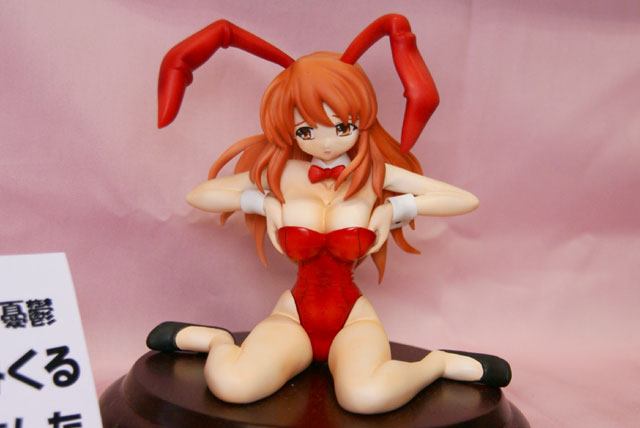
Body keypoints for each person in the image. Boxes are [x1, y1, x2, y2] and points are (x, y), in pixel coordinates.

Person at [147, 15, 511, 414]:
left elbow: (463, 199)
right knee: (232, 385)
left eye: (342, 127)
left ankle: (436, 364)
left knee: (365, 398)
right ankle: (217, 341)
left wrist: (395, 208)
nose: (324, 143)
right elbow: (199, 195)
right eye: (306, 131)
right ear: (290, 130)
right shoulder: (283, 175)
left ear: (361, 119)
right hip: (292, 318)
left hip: (353, 320)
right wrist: (263, 203)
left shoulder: (373, 174)